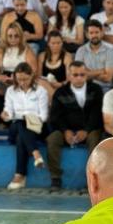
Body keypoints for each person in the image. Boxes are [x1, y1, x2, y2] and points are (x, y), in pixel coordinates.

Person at [46, 60, 103, 191]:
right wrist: (65, 131)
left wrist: (87, 130)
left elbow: (97, 114)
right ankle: (55, 178)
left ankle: (92, 180)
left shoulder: (96, 90)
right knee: (52, 139)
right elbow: (55, 116)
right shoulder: (60, 92)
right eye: (75, 75)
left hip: (90, 129)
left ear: (87, 75)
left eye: (82, 75)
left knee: (95, 139)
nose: (79, 78)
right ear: (69, 75)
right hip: (66, 129)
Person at [1, 62, 48, 190]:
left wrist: (29, 119)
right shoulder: (11, 91)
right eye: (19, 79)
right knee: (20, 123)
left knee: (22, 135)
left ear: (31, 76)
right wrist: (6, 115)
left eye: (25, 79)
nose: (22, 82)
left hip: (36, 127)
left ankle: (19, 175)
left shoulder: (40, 91)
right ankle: (36, 154)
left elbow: (44, 116)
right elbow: (9, 112)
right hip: (16, 127)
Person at [0, 23, 37, 128]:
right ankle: (4, 123)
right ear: (6, 36)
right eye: (10, 36)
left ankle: (18, 123)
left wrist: (19, 79)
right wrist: (0, 77)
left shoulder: (27, 49)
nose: (13, 39)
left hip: (22, 78)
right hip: (5, 78)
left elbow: (33, 71)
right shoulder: (0, 49)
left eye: (16, 36)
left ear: (20, 36)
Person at [76, 19, 113, 91]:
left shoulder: (110, 52)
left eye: (97, 32)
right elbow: (78, 75)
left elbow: (108, 78)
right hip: (85, 87)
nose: (94, 35)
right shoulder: (80, 51)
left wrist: (87, 73)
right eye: (91, 33)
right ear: (86, 35)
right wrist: (100, 71)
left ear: (101, 33)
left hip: (104, 88)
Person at [38, 31, 72, 95]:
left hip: (61, 87)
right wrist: (48, 84)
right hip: (45, 87)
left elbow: (69, 79)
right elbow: (39, 76)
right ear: (48, 43)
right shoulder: (42, 56)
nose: (56, 46)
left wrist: (60, 84)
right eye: (53, 43)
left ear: (62, 43)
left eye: (59, 43)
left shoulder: (67, 57)